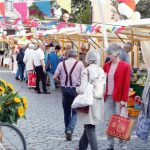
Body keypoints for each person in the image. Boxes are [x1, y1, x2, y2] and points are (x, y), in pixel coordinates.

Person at [103, 44, 131, 150]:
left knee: (120, 121)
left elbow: (126, 84)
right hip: (108, 97)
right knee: (108, 121)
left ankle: (122, 145)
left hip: (119, 98)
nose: (108, 55)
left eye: (110, 54)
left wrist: (124, 100)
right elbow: (103, 82)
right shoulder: (106, 65)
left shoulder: (125, 66)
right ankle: (110, 145)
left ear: (115, 54)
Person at [77, 49, 106, 150]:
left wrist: (77, 89)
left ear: (88, 58)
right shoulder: (101, 70)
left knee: (90, 127)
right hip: (99, 101)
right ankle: (81, 148)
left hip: (89, 102)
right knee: (88, 127)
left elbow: (82, 89)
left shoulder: (87, 70)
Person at [53, 49, 84, 141]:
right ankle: (70, 130)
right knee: (75, 111)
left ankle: (67, 131)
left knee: (66, 111)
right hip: (76, 90)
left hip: (65, 89)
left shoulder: (61, 64)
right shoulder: (80, 64)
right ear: (75, 56)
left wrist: (60, 82)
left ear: (67, 55)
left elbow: (54, 77)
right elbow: (84, 76)